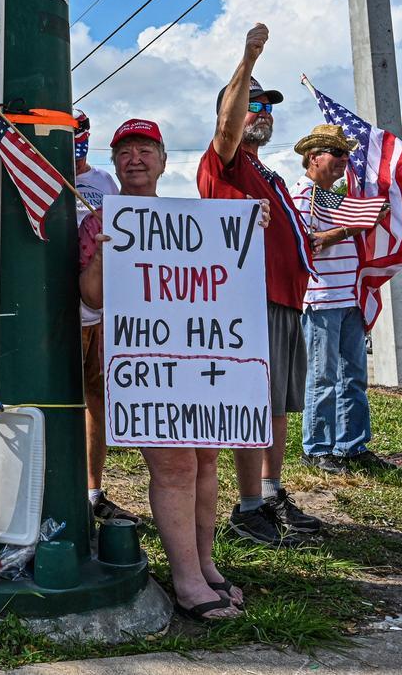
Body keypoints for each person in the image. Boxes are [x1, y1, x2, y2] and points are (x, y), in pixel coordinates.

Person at [81, 119, 267, 621]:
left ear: (164, 160)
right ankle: (185, 582)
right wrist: (99, 258)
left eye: (145, 150)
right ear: (114, 163)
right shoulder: (100, 221)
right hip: (144, 364)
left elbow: (225, 279)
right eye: (124, 152)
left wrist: (251, 231)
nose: (134, 159)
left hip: (198, 362)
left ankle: (205, 565)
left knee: (206, 459)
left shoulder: (191, 219)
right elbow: (91, 297)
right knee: (175, 466)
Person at [196, 23, 323, 547]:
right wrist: (246, 61)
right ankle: (249, 509)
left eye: (268, 106)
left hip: (286, 301)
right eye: (253, 104)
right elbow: (227, 127)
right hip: (252, 301)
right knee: (254, 404)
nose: (261, 112)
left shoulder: (264, 170)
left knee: (275, 405)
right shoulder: (221, 162)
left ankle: (270, 494)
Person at [290, 124, 394, 474]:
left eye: (345, 154)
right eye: (336, 153)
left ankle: (351, 445)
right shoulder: (303, 193)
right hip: (321, 299)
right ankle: (317, 449)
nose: (343, 160)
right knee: (323, 376)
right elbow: (306, 242)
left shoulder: (331, 196)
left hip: (346, 296)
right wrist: (354, 226)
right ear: (313, 157)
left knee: (353, 374)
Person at [73, 110, 134, 522]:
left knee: (98, 400)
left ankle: (94, 490)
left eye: (80, 133)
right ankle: (66, 489)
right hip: (63, 309)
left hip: (100, 313)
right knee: (64, 400)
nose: (75, 140)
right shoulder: (43, 176)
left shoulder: (102, 182)